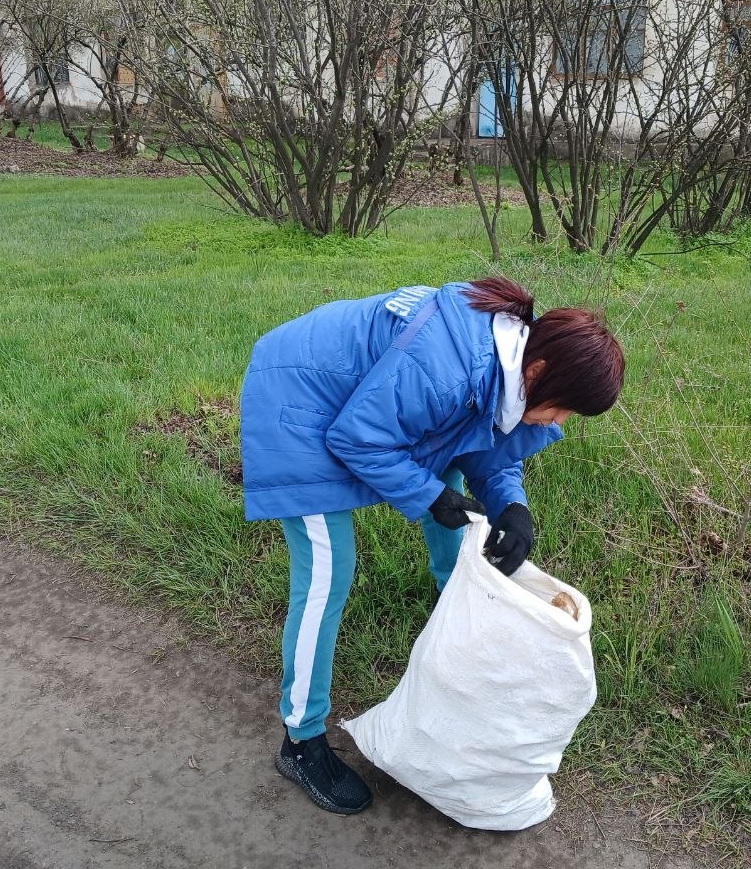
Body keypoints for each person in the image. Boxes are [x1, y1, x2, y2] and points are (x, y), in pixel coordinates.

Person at [239, 276, 625, 815]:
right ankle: (301, 740)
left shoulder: (505, 362)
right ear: (538, 372)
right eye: (564, 410)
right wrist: (428, 495)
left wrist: (511, 504)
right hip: (299, 402)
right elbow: (358, 437)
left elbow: (480, 439)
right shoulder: (446, 368)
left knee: (462, 521)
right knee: (330, 570)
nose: (560, 422)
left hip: (366, 403)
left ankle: (461, 647)